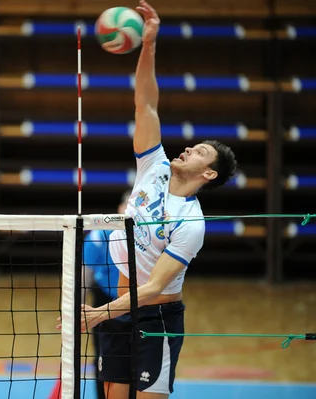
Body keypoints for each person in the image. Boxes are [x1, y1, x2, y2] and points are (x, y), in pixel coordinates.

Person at [78, 2, 237, 398]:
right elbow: (145, 102)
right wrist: (147, 44)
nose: (188, 150)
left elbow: (153, 288)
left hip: (156, 318)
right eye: (192, 146)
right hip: (117, 308)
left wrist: (97, 314)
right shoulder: (155, 165)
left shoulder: (191, 222)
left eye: (200, 152)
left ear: (209, 174)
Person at [82, 192, 129, 399]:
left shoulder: (150, 235)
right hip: (104, 300)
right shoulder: (100, 234)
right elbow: (85, 272)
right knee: (103, 356)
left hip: (138, 300)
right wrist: (76, 309)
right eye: (127, 206)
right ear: (119, 208)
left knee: (137, 354)